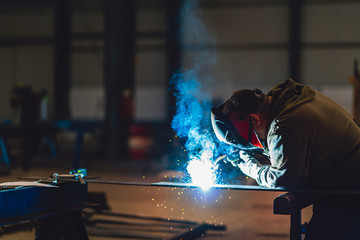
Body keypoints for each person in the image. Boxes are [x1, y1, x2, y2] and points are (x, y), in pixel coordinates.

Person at [211, 79, 360, 240]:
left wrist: (249, 166)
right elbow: (281, 142)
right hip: (344, 179)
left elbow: (283, 179)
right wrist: (250, 152)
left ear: (254, 119)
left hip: (350, 192)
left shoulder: (285, 125)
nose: (255, 141)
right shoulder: (286, 98)